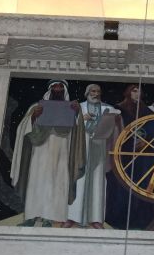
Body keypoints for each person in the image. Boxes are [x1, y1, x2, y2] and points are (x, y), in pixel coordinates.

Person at [10, 80, 86, 227]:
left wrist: (77, 114)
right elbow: (23, 129)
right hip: (40, 152)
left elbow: (77, 133)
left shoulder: (71, 108)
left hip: (62, 152)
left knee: (58, 182)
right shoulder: (36, 107)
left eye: (60, 87)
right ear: (49, 90)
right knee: (37, 181)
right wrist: (33, 116)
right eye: (54, 87)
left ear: (64, 91)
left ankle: (51, 218)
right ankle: (32, 216)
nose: (57, 89)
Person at [65, 84, 122, 228]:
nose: (96, 94)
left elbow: (114, 128)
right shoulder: (79, 107)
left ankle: (96, 219)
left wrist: (115, 121)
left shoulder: (106, 108)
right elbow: (66, 125)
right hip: (81, 147)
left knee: (98, 181)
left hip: (98, 147)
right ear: (87, 93)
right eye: (93, 91)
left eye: (98, 92)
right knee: (78, 180)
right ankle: (72, 217)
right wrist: (80, 119)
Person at [106, 84, 154, 230]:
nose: (137, 94)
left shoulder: (148, 113)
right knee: (120, 187)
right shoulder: (117, 110)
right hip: (122, 157)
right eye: (134, 91)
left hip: (142, 159)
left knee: (142, 186)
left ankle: (142, 222)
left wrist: (147, 143)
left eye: (140, 91)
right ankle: (117, 221)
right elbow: (111, 132)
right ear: (128, 93)